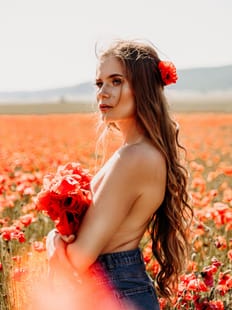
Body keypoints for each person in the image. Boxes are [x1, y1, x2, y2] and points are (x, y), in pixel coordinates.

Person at [47, 40, 193, 309]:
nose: (103, 92)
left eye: (116, 81)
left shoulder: (135, 158)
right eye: (99, 83)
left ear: (144, 87)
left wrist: (53, 241)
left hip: (115, 290)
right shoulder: (137, 152)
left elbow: (80, 258)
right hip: (120, 289)